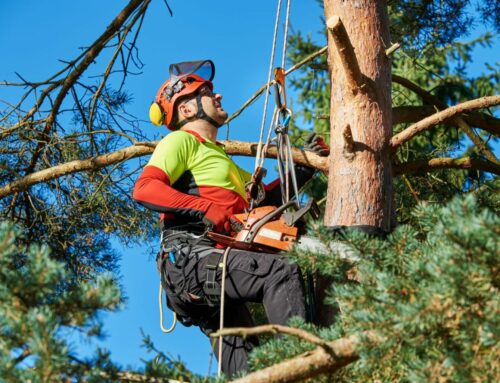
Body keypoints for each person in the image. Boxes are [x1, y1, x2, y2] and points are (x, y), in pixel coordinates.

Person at [133, 60, 329, 377]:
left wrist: (304, 168)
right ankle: (302, 366)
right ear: (185, 110)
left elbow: (266, 201)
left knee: (247, 371)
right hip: (190, 259)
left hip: (210, 269)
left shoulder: (223, 162)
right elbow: (145, 188)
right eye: (207, 92)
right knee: (279, 272)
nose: (219, 95)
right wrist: (203, 208)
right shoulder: (182, 141)